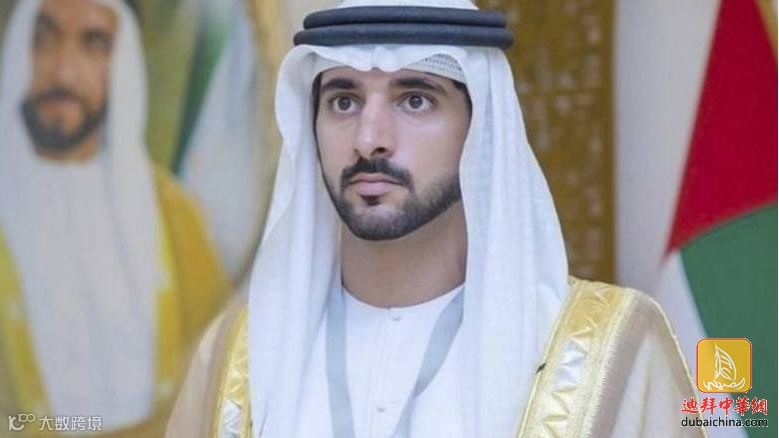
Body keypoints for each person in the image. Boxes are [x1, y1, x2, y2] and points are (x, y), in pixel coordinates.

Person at [167, 0, 704, 436]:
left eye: (415, 100)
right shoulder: (237, 356)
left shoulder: (607, 352)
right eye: (344, 101)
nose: (369, 139)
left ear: (480, 130)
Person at [0, 0, 229, 434]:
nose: (64, 72)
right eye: (44, 40)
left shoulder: (175, 217)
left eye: (94, 45)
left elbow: (220, 371)